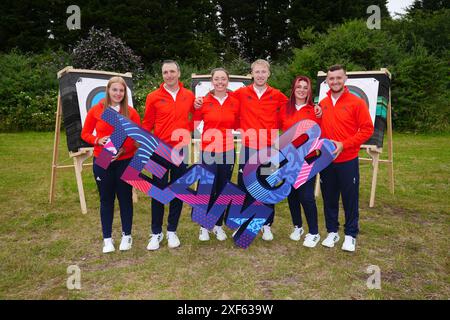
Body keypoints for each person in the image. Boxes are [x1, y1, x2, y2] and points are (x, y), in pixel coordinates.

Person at [195, 59, 289, 241]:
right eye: (257, 72)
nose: (260, 75)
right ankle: (243, 223)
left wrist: (314, 108)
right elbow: (218, 98)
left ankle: (266, 225)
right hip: (248, 148)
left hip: (270, 150)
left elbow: (294, 106)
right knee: (245, 187)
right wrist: (199, 101)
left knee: (267, 186)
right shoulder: (240, 94)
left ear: (268, 74)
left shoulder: (277, 95)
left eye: (263, 72)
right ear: (251, 74)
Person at [81, 76, 141, 254]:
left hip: (125, 160)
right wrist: (98, 140)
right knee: (106, 199)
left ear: (125, 93)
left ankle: (126, 235)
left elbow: (138, 139)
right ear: (108, 90)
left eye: (121, 90)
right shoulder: (97, 110)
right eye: (114, 90)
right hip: (103, 159)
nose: (118, 93)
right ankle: (107, 239)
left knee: (125, 198)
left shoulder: (131, 112)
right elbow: (85, 133)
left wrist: (123, 149)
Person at [318, 64, 374, 252]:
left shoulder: (356, 102)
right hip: (326, 160)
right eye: (331, 78)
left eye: (338, 78)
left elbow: (367, 129)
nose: (335, 81)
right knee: (329, 198)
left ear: (345, 79)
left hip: (348, 159)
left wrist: (344, 144)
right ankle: (332, 231)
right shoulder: (322, 104)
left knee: (350, 198)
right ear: (327, 81)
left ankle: (350, 235)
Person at [142, 60, 195, 251]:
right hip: (158, 150)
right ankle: (156, 232)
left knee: (178, 190)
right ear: (162, 75)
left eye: (172, 71)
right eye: (165, 72)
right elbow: (147, 124)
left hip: (180, 149)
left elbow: (195, 118)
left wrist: (187, 130)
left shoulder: (189, 95)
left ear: (179, 73)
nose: (169, 75)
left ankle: (172, 230)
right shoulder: (153, 97)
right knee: (158, 190)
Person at [193, 68, 240, 241]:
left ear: (228, 81)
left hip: (227, 151)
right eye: (217, 79)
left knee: (222, 189)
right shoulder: (203, 101)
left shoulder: (235, 101)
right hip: (208, 151)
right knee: (206, 189)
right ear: (212, 81)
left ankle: (218, 225)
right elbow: (194, 121)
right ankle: (204, 226)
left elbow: (237, 122)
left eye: (223, 79)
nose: (220, 82)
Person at [279, 75, 321, 248]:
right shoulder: (284, 109)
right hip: (288, 158)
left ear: (309, 90)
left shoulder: (315, 110)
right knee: (292, 194)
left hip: (307, 159)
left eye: (305, 87)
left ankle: (314, 232)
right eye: (299, 87)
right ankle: (298, 227)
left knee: (306, 196)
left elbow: (319, 136)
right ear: (293, 89)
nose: (302, 90)